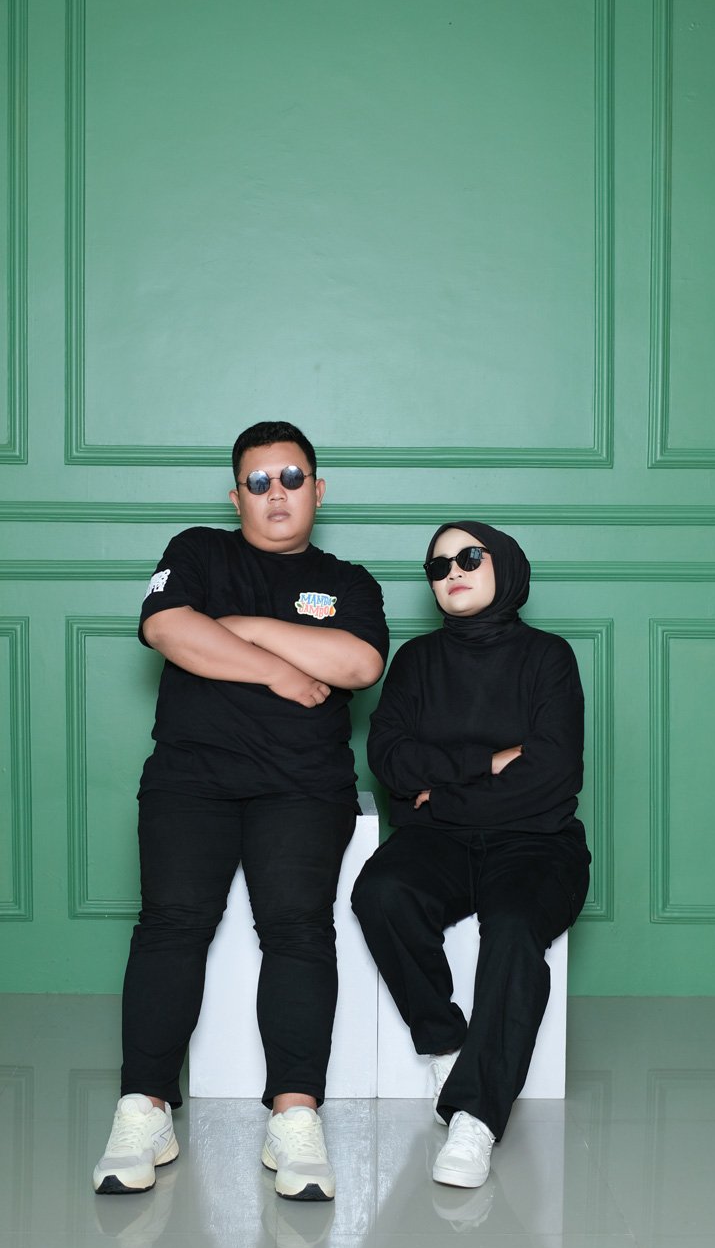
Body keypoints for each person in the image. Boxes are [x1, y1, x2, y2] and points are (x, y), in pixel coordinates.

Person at [93, 421, 388, 1202]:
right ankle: (143, 1109)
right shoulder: (197, 551)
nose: (276, 493)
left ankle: (295, 1117)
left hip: (303, 786)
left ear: (317, 490)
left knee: (296, 929)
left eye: (291, 478)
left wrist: (245, 631)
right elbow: (168, 627)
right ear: (236, 497)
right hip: (191, 780)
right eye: (258, 482)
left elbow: (359, 662)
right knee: (171, 925)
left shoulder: (349, 581)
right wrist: (283, 672)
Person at [352, 520, 590, 1189]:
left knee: (513, 928)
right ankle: (444, 1042)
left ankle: (476, 1118)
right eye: (438, 566)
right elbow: (390, 760)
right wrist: (487, 764)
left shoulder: (548, 657)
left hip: (539, 843)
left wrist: (442, 796)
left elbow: (552, 774)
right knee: (381, 892)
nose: (452, 571)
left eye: (469, 557)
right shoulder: (416, 662)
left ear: (503, 565)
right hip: (440, 842)